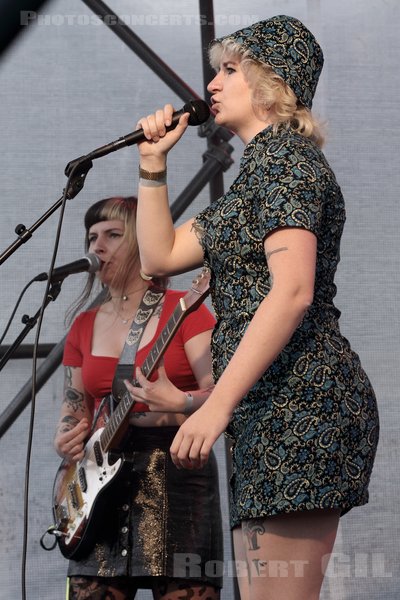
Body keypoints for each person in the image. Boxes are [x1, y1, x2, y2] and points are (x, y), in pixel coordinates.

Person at [131, 14, 380, 600]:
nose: (211, 84)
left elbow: (292, 292)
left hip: (304, 401)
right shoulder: (254, 178)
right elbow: (159, 255)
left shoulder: (285, 161)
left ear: (272, 83)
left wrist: (213, 407)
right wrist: (152, 164)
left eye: (229, 69)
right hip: (268, 403)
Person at [53, 196, 223, 600]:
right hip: (98, 485)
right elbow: (75, 408)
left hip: (177, 470)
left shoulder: (187, 310)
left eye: (113, 234)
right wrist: (66, 437)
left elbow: (222, 394)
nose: (98, 246)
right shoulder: (83, 325)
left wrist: (179, 402)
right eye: (92, 237)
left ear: (144, 242)